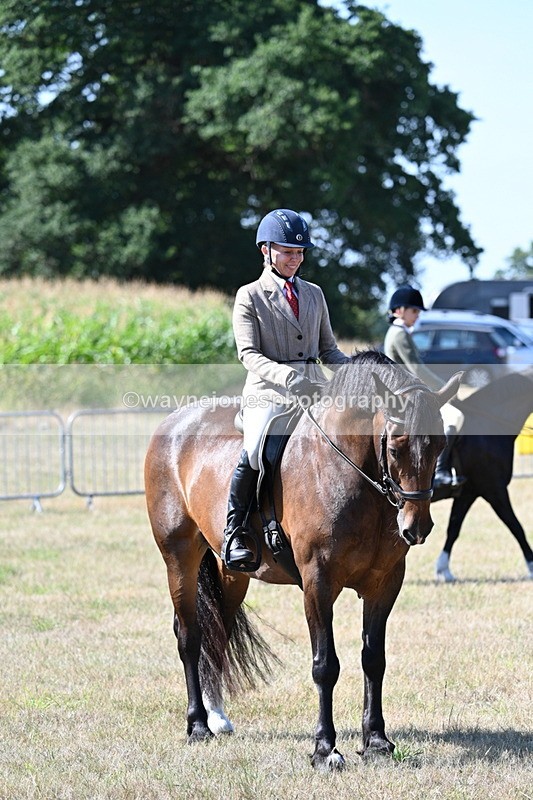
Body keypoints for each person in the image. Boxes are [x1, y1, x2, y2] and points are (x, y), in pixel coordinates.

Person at [221, 208, 351, 570]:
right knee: (255, 449)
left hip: (314, 387)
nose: (295, 259)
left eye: (299, 253)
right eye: (287, 252)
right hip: (269, 390)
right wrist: (287, 377)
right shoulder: (250, 296)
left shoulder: (314, 294)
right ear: (266, 250)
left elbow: (328, 350)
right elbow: (247, 353)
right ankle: (236, 531)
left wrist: (358, 372)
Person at [384, 284, 465, 488]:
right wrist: (444, 391)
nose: (417, 315)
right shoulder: (399, 334)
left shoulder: (399, 332)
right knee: (456, 416)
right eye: (414, 310)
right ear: (399, 310)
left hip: (409, 393)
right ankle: (441, 472)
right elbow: (417, 369)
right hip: (408, 396)